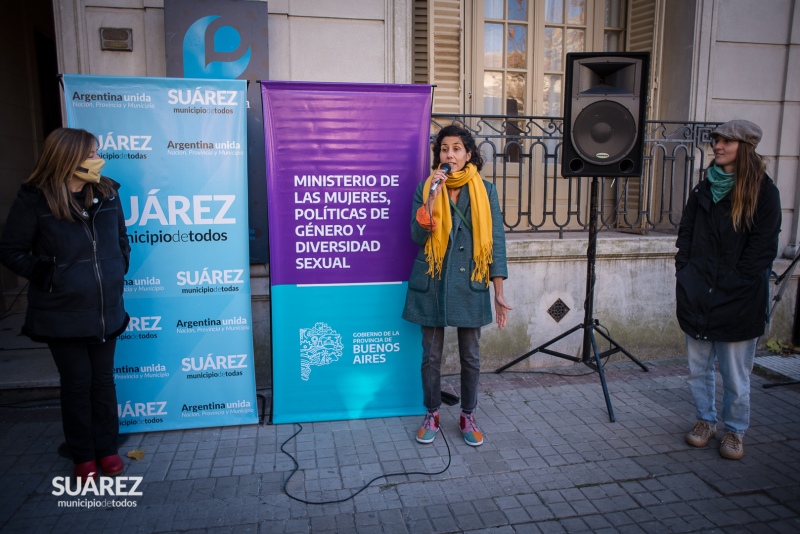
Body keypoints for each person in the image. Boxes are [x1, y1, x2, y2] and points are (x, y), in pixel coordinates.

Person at [0, 128, 131, 481]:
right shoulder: (35, 200)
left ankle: (107, 449)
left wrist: (119, 265)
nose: (97, 159)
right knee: (77, 383)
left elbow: (121, 238)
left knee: (103, 381)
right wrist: (48, 275)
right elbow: (10, 251)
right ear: (68, 158)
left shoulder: (107, 192)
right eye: (91, 154)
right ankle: (83, 455)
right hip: (62, 312)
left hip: (106, 309)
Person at [675, 119, 781, 460]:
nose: (717, 145)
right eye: (716, 139)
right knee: (697, 370)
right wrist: (685, 273)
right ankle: (706, 421)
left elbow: (762, 250)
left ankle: (735, 431)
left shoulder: (765, 193)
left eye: (726, 141)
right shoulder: (703, 188)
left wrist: (735, 283)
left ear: (745, 148)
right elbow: (686, 234)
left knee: (736, 375)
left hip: (738, 298)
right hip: (698, 294)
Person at [402, 125, 512, 447]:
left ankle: (468, 414)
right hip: (432, 280)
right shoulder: (426, 188)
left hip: (470, 281)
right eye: (444, 149)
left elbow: (497, 244)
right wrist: (432, 197)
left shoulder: (485, 190)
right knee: (430, 356)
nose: (449, 154)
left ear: (468, 154)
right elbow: (416, 237)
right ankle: (432, 413)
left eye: (456, 149)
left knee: (471, 356)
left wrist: (499, 292)